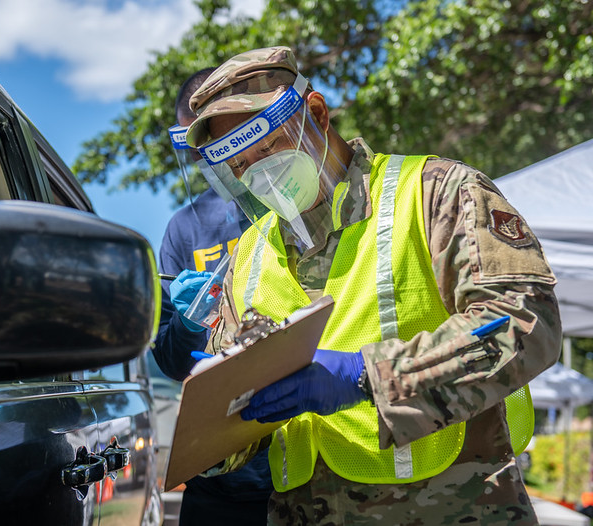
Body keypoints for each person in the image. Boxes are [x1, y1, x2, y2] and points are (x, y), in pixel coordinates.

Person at [184, 46, 562, 525]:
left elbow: (527, 323)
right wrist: (204, 433)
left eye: (267, 147)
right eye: (238, 164)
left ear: (316, 114)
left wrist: (367, 377)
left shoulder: (435, 192)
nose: (259, 172)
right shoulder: (248, 256)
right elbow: (236, 420)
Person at [152, 69, 273, 525]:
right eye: (194, 142)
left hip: (306, 467)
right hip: (222, 478)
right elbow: (167, 359)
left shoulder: (293, 204)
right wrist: (185, 324)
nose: (211, 154)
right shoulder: (186, 228)